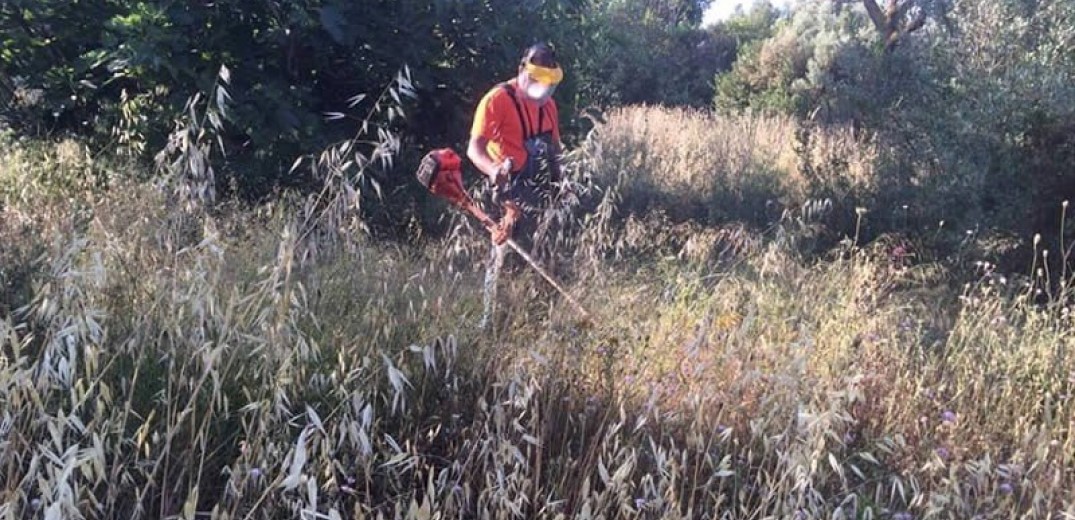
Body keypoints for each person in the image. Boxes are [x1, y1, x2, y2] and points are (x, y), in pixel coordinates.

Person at [467, 42, 569, 329]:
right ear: (521, 70)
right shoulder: (497, 100)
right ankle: (490, 323)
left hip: (540, 189)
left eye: (548, 83)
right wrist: (493, 169)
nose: (543, 89)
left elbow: (555, 148)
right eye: (537, 80)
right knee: (502, 256)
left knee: (540, 253)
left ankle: (533, 316)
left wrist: (563, 183)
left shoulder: (548, 106)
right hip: (508, 191)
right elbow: (474, 148)